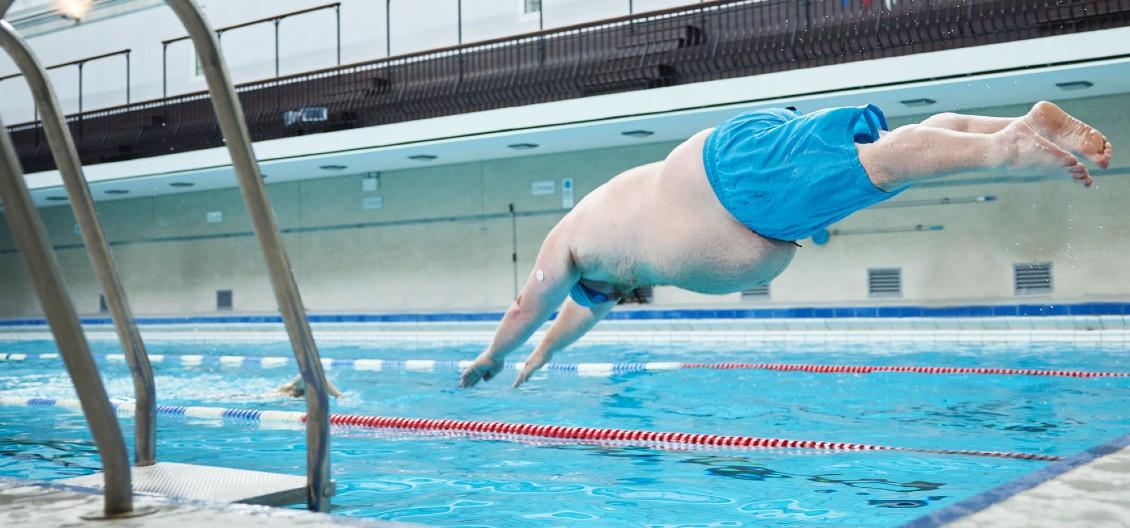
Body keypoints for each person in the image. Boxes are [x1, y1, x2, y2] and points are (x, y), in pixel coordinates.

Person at [459, 101, 1113, 389]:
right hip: (740, 178)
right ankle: (1010, 126)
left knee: (877, 168)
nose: (619, 297)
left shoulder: (567, 239)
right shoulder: (599, 253)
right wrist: (540, 358)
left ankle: (1007, 148)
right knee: (882, 160)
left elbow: (530, 302)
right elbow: (572, 314)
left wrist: (492, 355)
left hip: (725, 184)